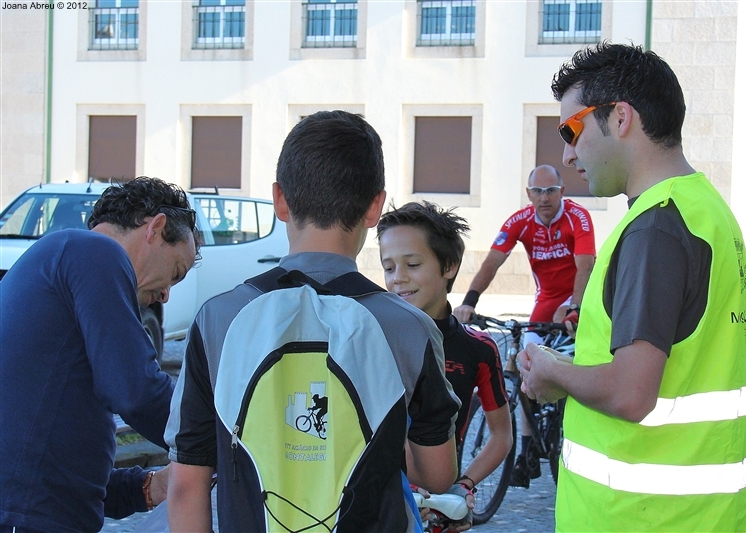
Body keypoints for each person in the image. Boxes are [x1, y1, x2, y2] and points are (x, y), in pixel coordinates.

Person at [166, 110, 461, 533]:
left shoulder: (218, 318)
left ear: (280, 200)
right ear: (375, 206)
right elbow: (435, 477)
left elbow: (186, 486)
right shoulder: (409, 328)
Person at [519, 42, 746, 532]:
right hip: (695, 516)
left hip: (637, 517)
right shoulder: (705, 208)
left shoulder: (655, 228)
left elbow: (631, 393)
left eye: (571, 129)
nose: (566, 153)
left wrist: (552, 373)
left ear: (620, 117)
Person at [0, 177, 201, 533]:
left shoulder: (62, 260)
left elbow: (61, 464)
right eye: (175, 272)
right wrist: (216, 437)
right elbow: (135, 390)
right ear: (156, 227)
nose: (166, 294)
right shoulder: (94, 251)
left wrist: (151, 486)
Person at [453, 164, 595, 487]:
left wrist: (576, 309)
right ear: (529, 194)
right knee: (521, 364)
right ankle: (527, 448)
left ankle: (563, 429)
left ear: (562, 192)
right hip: (544, 302)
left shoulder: (578, 218)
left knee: (567, 366)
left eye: (551, 191)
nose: (544, 198)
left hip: (576, 299)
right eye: (537, 192)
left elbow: (586, 265)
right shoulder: (520, 221)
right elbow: (492, 261)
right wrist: (469, 302)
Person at [378, 201, 513, 532]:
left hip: (440, 514)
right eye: (389, 267)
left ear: (449, 266)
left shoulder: (477, 348)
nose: (398, 279)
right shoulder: (372, 336)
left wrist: (464, 486)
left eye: (412, 264)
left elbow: (501, 434)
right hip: (381, 508)